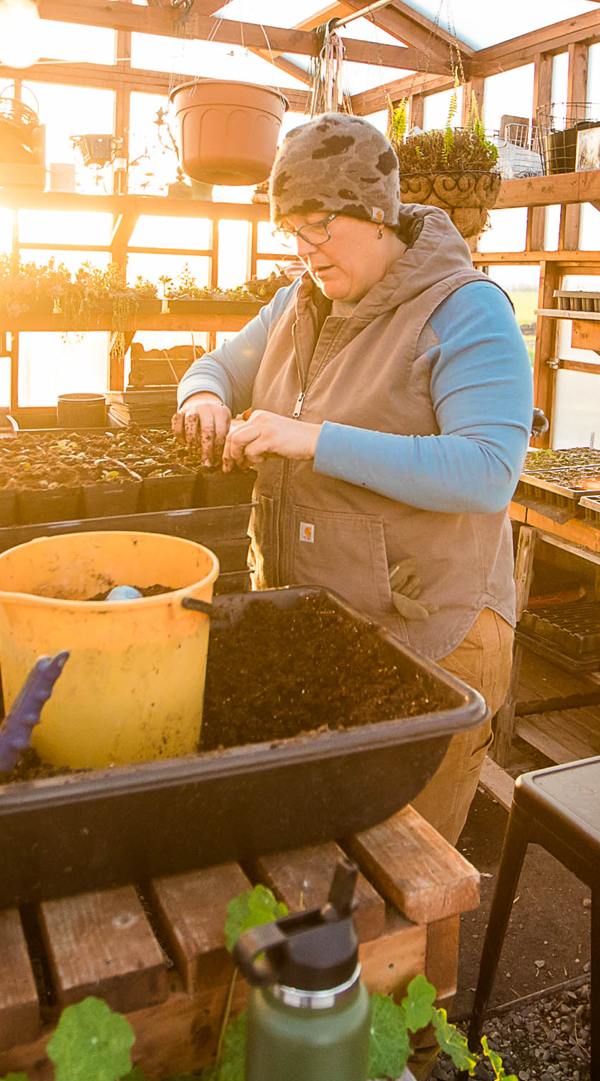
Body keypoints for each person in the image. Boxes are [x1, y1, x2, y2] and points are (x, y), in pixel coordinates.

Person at [173, 113, 533, 847]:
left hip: (430, 637)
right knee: (318, 864)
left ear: (378, 214)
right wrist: (203, 397)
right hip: (323, 624)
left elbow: (486, 471)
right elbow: (215, 365)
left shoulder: (464, 309)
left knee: (401, 874)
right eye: (290, 231)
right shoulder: (295, 305)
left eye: (320, 225)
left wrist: (312, 440)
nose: (305, 250)